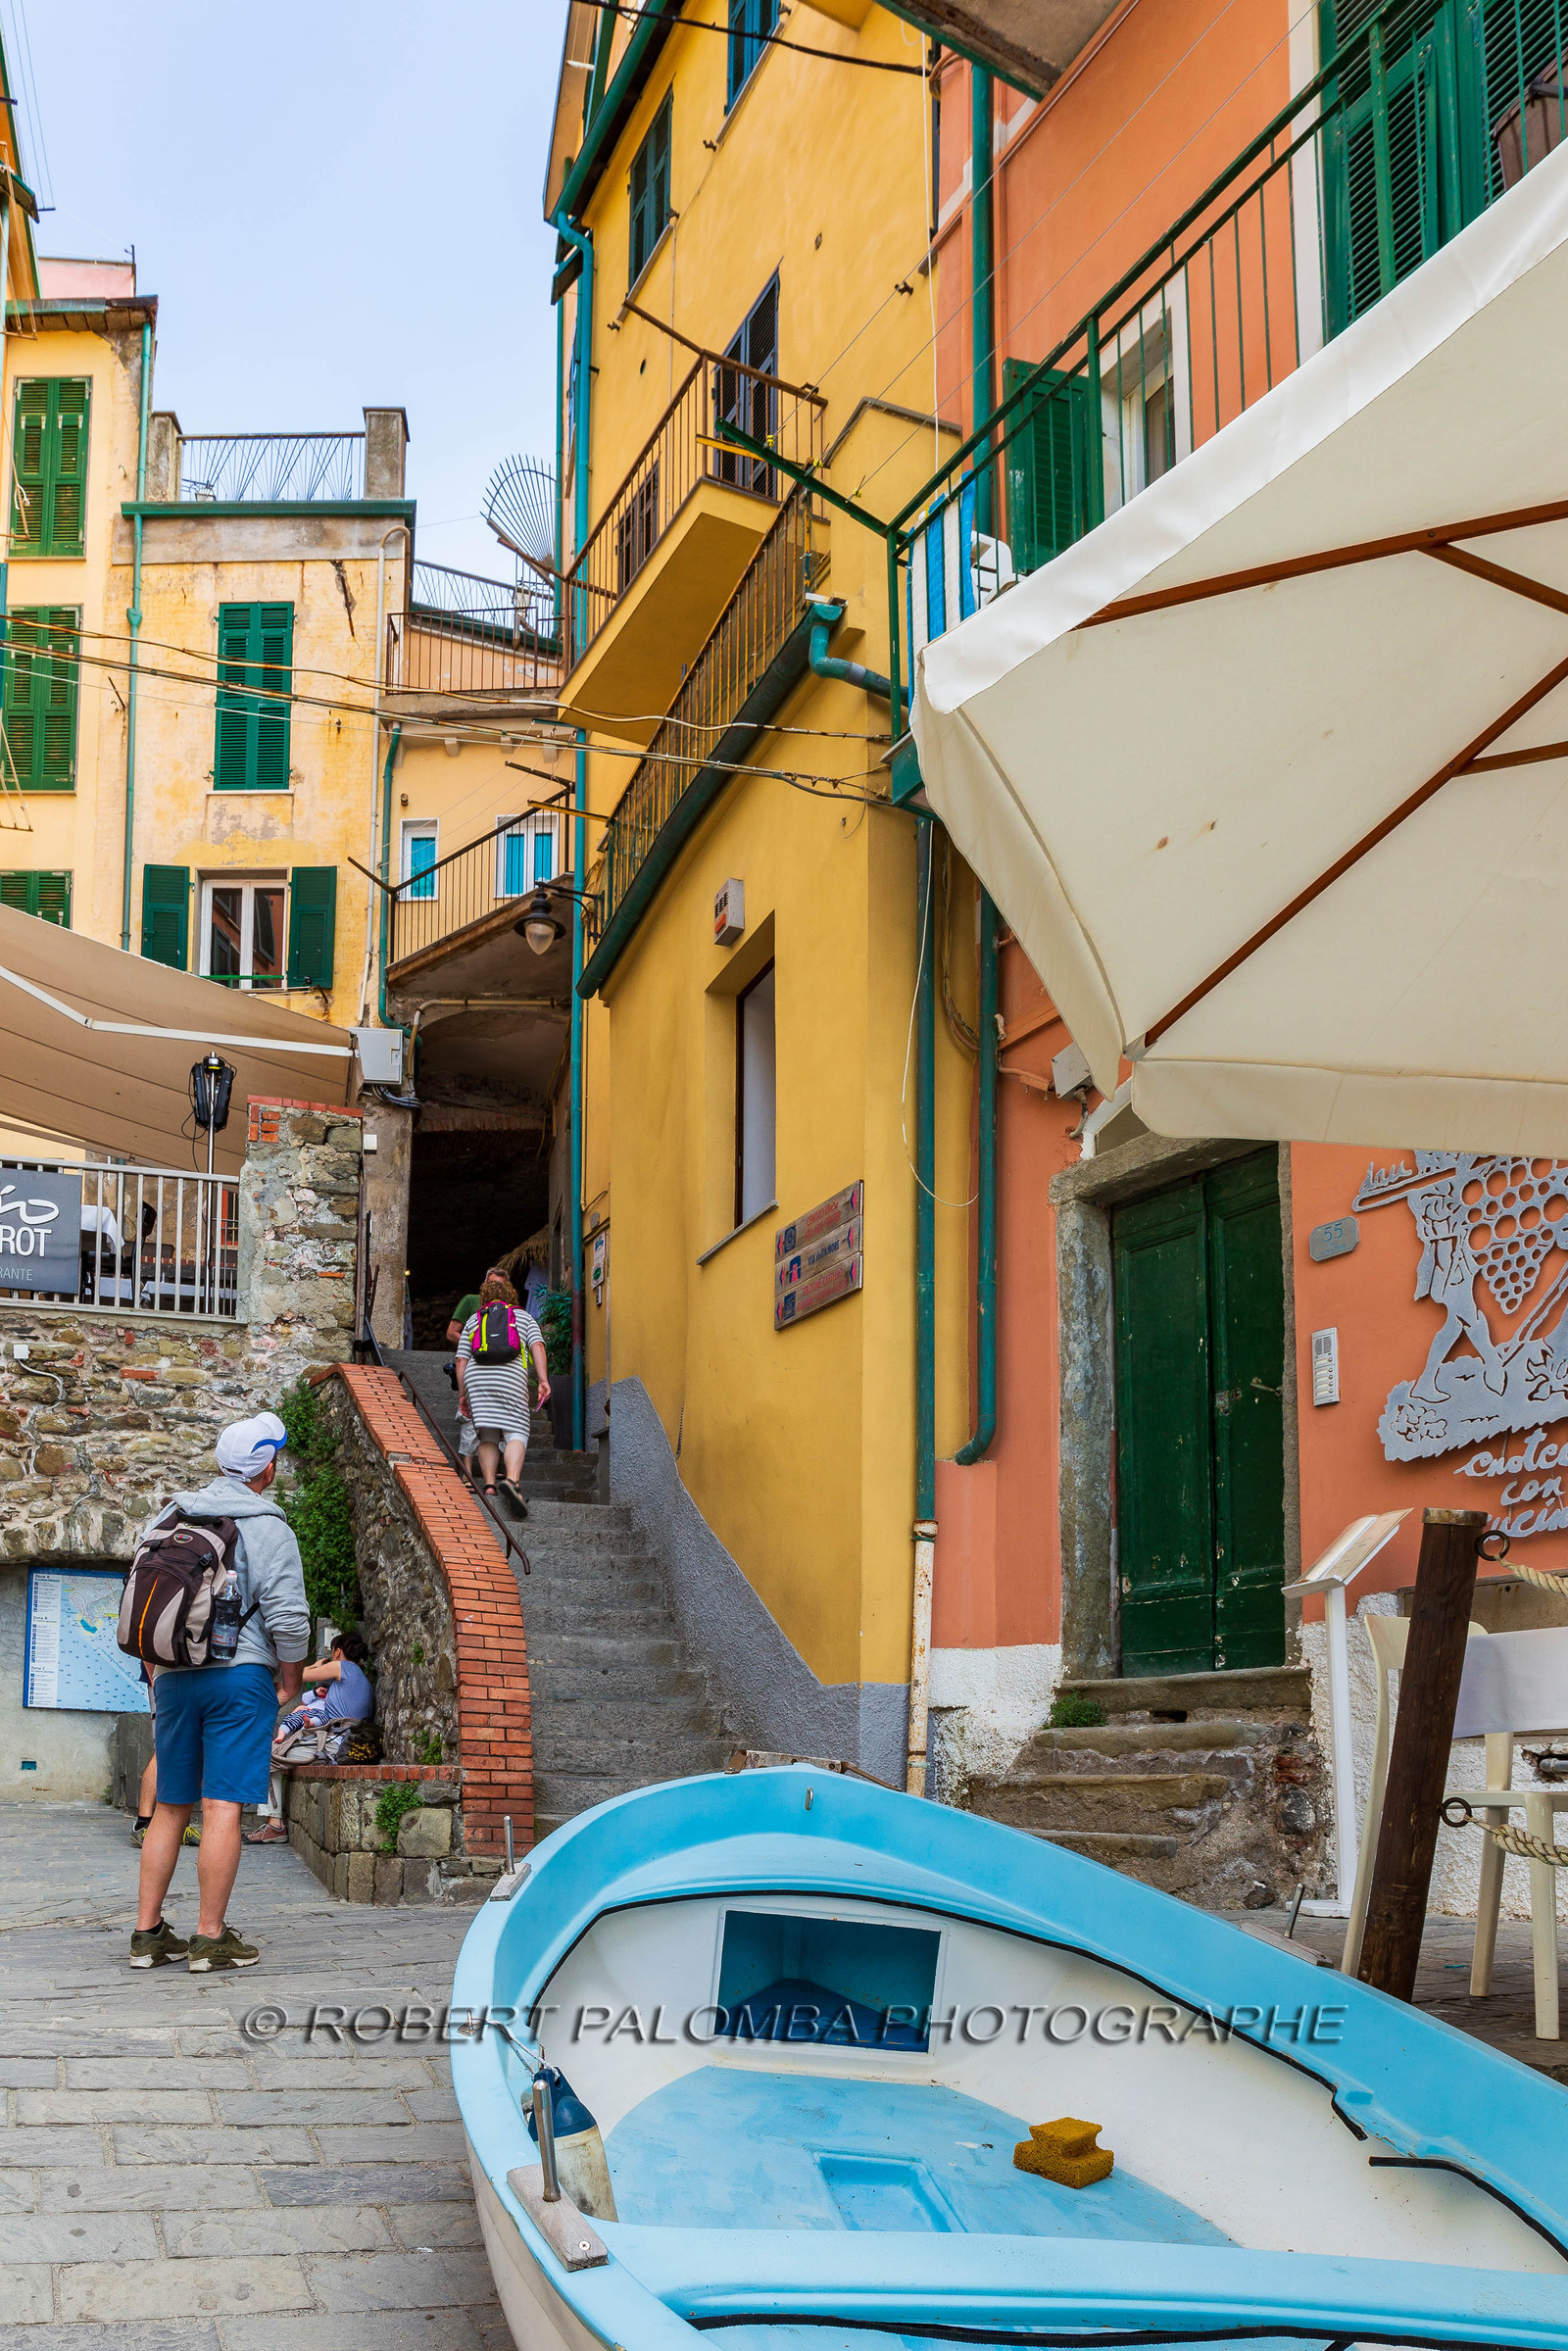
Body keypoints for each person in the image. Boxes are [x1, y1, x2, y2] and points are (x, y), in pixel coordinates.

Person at [129, 1411, 310, 1973]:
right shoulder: (270, 1527)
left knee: (169, 1809)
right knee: (223, 1806)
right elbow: (290, 1620)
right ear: (268, 1467)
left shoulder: (172, 1514)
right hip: (239, 1677)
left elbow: (144, 1591)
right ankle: (209, 1939)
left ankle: (147, 1935)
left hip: (175, 1675)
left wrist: (155, 1665)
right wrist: (291, 1681)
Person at [245, 1632, 374, 1844]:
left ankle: (275, 1826)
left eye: (332, 1653)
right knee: (275, 1753)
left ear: (337, 1651)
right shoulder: (359, 1677)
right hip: (345, 1742)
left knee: (266, 1755)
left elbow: (297, 1676)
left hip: (335, 1743)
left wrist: (315, 1666)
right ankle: (273, 1822)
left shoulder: (342, 1667)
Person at [456, 1269, 549, 1511]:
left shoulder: (475, 1319)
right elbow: (537, 1345)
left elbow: (461, 1360)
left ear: (484, 1295)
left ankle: (488, 1485)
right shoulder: (522, 1316)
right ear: (511, 1294)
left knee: (487, 1433)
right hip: (510, 1379)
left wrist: (463, 1394)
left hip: (478, 1380)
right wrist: (542, 1380)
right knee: (516, 1430)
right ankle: (511, 1481)